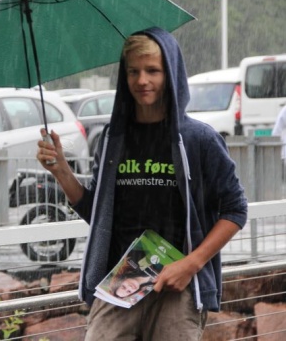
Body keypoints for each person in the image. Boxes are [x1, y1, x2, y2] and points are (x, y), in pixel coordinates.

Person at [36, 27, 247, 341]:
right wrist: (62, 171)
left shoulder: (199, 139)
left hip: (178, 286)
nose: (142, 81)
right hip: (122, 281)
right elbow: (100, 216)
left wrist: (190, 265)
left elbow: (235, 211)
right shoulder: (113, 140)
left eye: (153, 71)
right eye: (133, 71)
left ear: (171, 74)